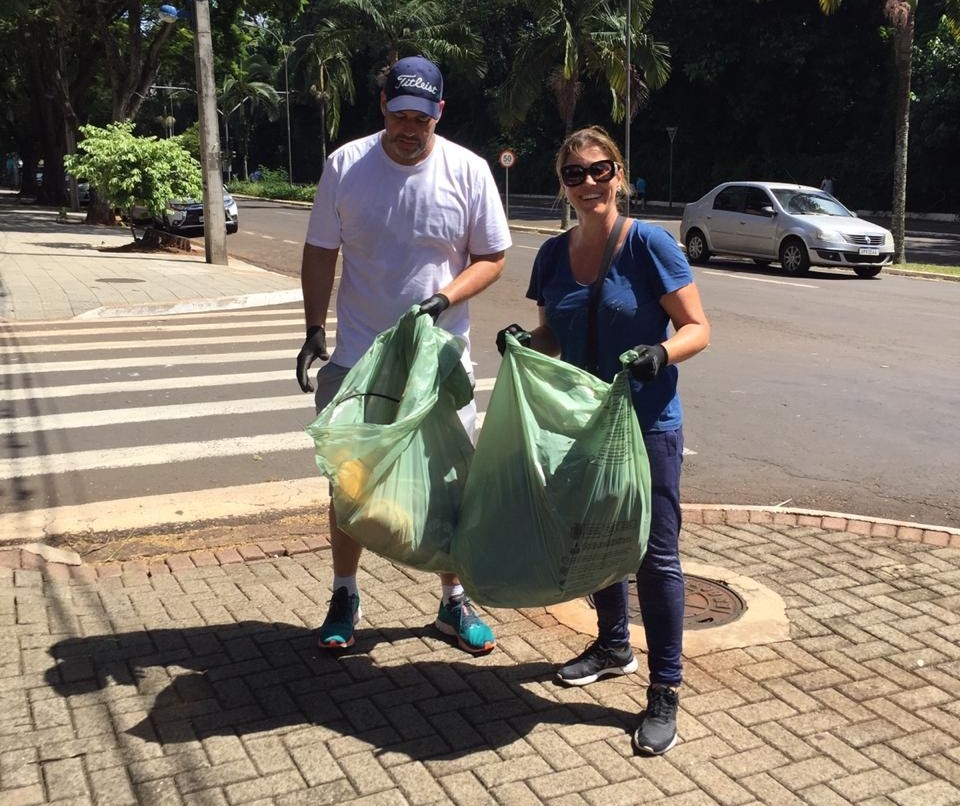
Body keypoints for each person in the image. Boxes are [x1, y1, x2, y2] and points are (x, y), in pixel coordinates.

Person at [495, 126, 710, 756]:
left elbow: (698, 328)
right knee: (594, 541)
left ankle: (665, 689)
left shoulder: (649, 245)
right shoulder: (553, 255)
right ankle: (614, 643)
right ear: (561, 185)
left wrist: (660, 351)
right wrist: (521, 344)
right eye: (574, 174)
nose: (588, 183)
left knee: (654, 556)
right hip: (583, 427)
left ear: (619, 174)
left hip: (648, 427)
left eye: (600, 170)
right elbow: (553, 337)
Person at [296, 55, 512, 655]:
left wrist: (444, 298)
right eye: (400, 115)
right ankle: (345, 593)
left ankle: (452, 602)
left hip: (439, 360)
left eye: (422, 116)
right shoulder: (346, 166)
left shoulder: (467, 171)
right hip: (359, 357)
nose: (410, 128)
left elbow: (492, 257)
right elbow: (319, 251)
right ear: (383, 108)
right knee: (348, 481)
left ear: (440, 112)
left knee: (451, 483)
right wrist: (314, 326)